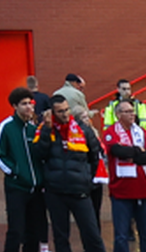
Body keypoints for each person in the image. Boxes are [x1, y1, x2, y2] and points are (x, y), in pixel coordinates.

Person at [34, 93, 106, 252]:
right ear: (52, 114)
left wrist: (88, 180)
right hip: (56, 192)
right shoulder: (45, 131)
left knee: (92, 234)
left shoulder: (83, 130)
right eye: (60, 111)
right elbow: (39, 154)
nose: (65, 114)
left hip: (80, 191)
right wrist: (46, 130)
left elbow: (95, 157)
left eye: (67, 110)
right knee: (61, 238)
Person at [0, 87, 45, 252]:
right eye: (24, 104)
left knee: (34, 232)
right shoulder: (6, 127)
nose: (29, 107)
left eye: (30, 103)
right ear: (15, 106)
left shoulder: (34, 129)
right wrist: (14, 172)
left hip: (36, 189)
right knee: (16, 230)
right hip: (17, 188)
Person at [103, 100, 146, 252]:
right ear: (118, 114)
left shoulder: (141, 132)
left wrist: (133, 155)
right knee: (121, 236)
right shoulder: (111, 133)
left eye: (132, 111)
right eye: (127, 111)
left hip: (144, 191)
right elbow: (117, 151)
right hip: (121, 192)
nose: (132, 114)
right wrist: (138, 151)